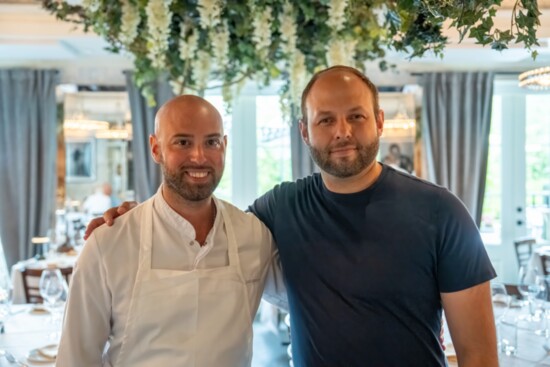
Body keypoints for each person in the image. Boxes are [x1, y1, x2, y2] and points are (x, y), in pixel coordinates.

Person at [86, 66, 498, 366]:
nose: (342, 132)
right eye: (326, 120)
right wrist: (134, 218)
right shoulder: (279, 208)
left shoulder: (441, 212)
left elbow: (478, 354)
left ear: (379, 121)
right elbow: (202, 229)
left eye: (356, 115)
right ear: (304, 132)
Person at [57, 95, 281, 366]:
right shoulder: (109, 243)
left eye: (211, 142)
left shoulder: (254, 236)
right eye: (183, 142)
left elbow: (310, 300)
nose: (199, 157)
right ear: (155, 149)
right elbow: (76, 359)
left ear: (224, 146)